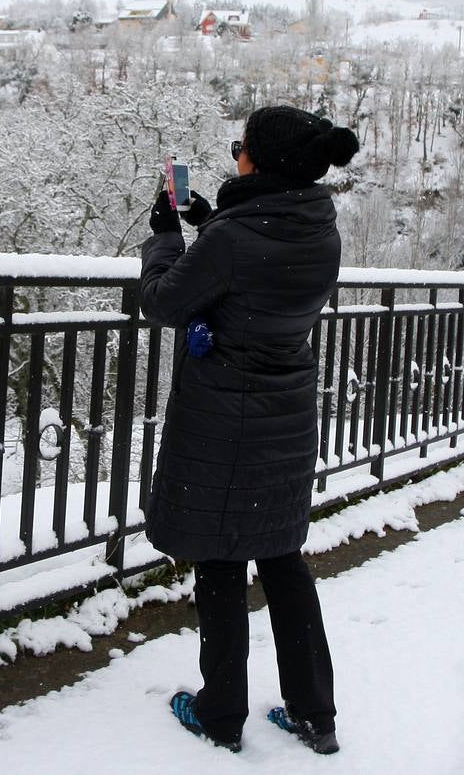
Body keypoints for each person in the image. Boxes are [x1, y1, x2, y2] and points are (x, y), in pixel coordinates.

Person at [139, 105, 359, 755]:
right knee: (283, 561)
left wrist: (165, 236)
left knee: (220, 560)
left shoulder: (232, 241)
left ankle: (220, 714)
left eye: (241, 146)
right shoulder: (319, 229)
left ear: (258, 161)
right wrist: (213, 221)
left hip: (225, 425)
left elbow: (163, 301)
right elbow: (260, 276)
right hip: (285, 422)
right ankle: (314, 716)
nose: (235, 153)